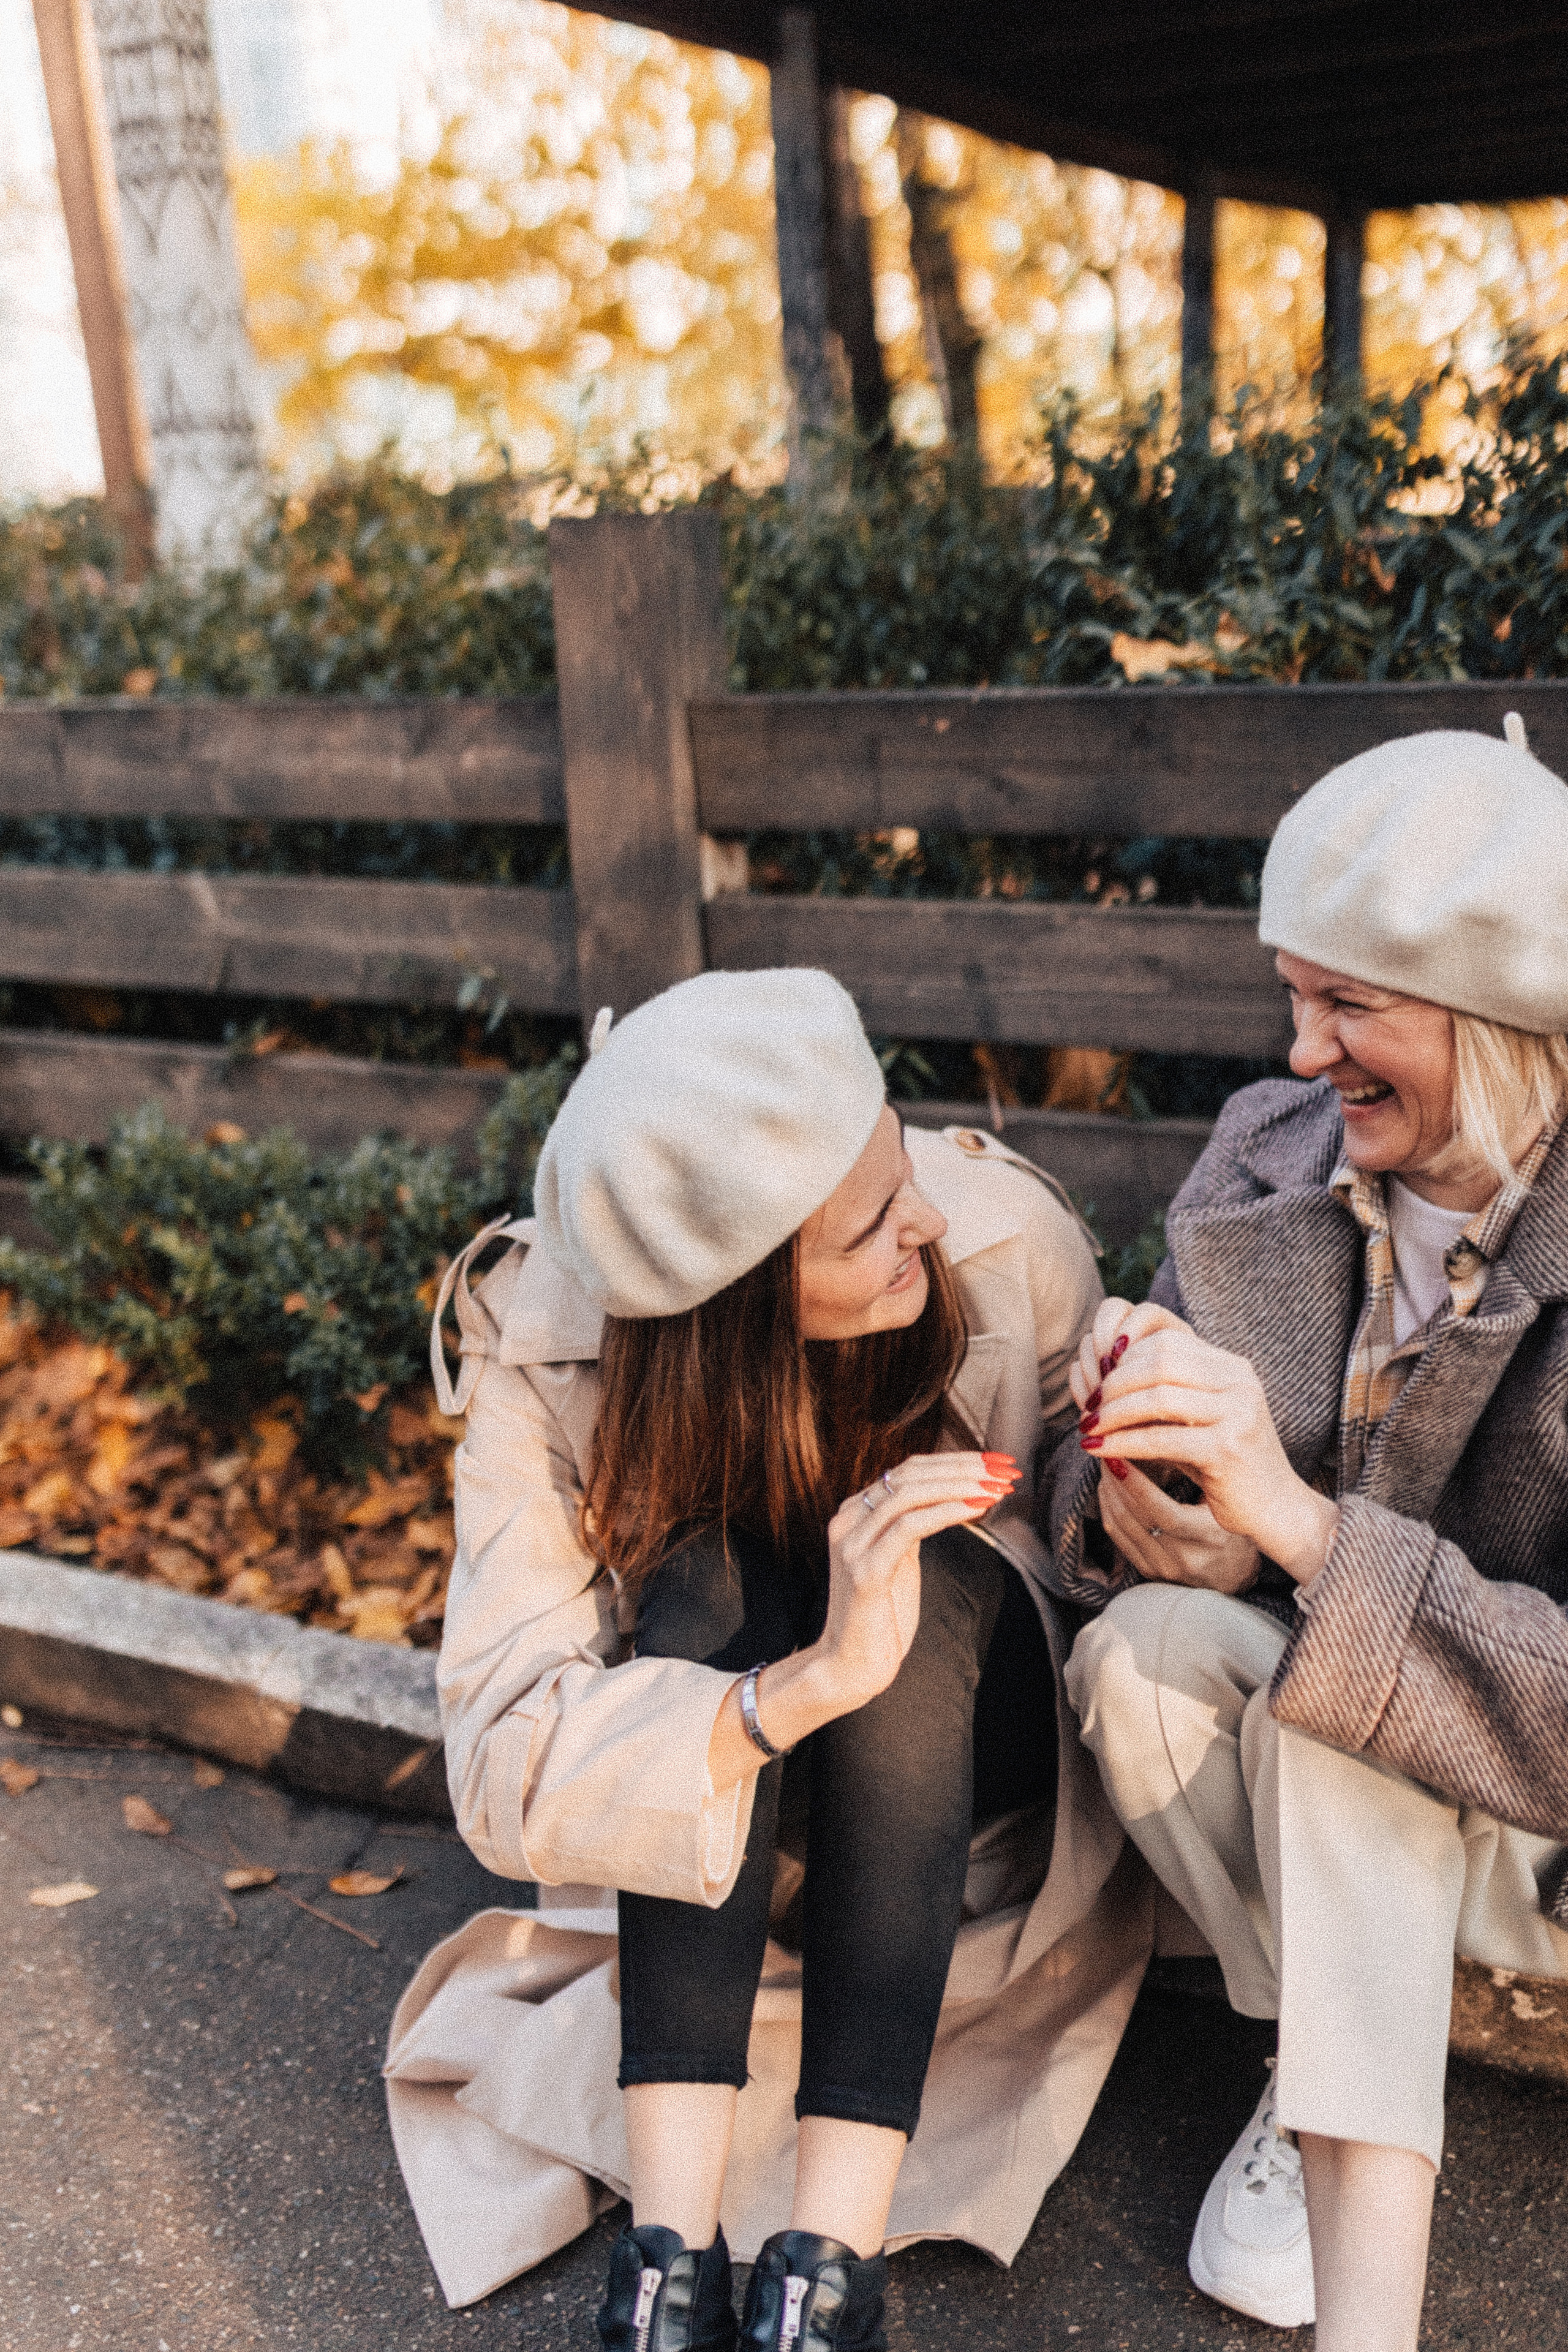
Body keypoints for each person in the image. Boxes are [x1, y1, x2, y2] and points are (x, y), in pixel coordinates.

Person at [384, 967, 1150, 2349]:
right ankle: (666, 2270)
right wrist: (800, 1687)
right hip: (747, 1791)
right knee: (703, 1581)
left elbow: (1095, 1571)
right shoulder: (545, 1337)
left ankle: (824, 2273)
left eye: (897, 1161)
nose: (923, 1218)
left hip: (964, 1761)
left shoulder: (1000, 1239)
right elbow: (499, 1761)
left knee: (914, 1569)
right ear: (741, 1294)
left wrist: (1143, 1487)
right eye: (870, 1226)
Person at [1048, 719, 1568, 2352]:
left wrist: (1293, 1528)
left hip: (1540, 1827)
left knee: (1349, 1694)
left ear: (1495, 1008)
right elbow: (1114, 1512)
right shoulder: (1266, 1155)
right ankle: (1325, 2065)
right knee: (1141, 1658)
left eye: (1348, 1004)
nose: (1300, 1051)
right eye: (1292, 995)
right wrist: (1135, 1479)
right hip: (1340, 1795)